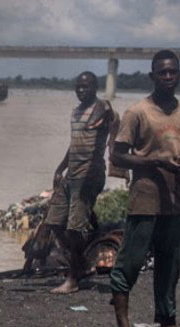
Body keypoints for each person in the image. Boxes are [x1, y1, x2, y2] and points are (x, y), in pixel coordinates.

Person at [109, 50, 180, 327]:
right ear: (152, 76)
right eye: (162, 73)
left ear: (179, 75)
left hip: (175, 200)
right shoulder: (137, 112)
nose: (168, 77)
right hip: (145, 198)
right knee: (130, 263)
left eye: (172, 72)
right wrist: (155, 159)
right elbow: (117, 155)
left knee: (170, 264)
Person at [48, 71, 117, 294]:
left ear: (95, 88)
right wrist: (60, 168)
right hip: (71, 174)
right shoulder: (75, 112)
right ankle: (82, 265)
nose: (81, 90)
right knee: (54, 223)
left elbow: (107, 111)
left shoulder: (102, 108)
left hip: (90, 174)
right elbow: (75, 144)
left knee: (74, 229)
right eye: (78, 87)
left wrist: (104, 107)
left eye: (86, 87)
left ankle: (73, 279)